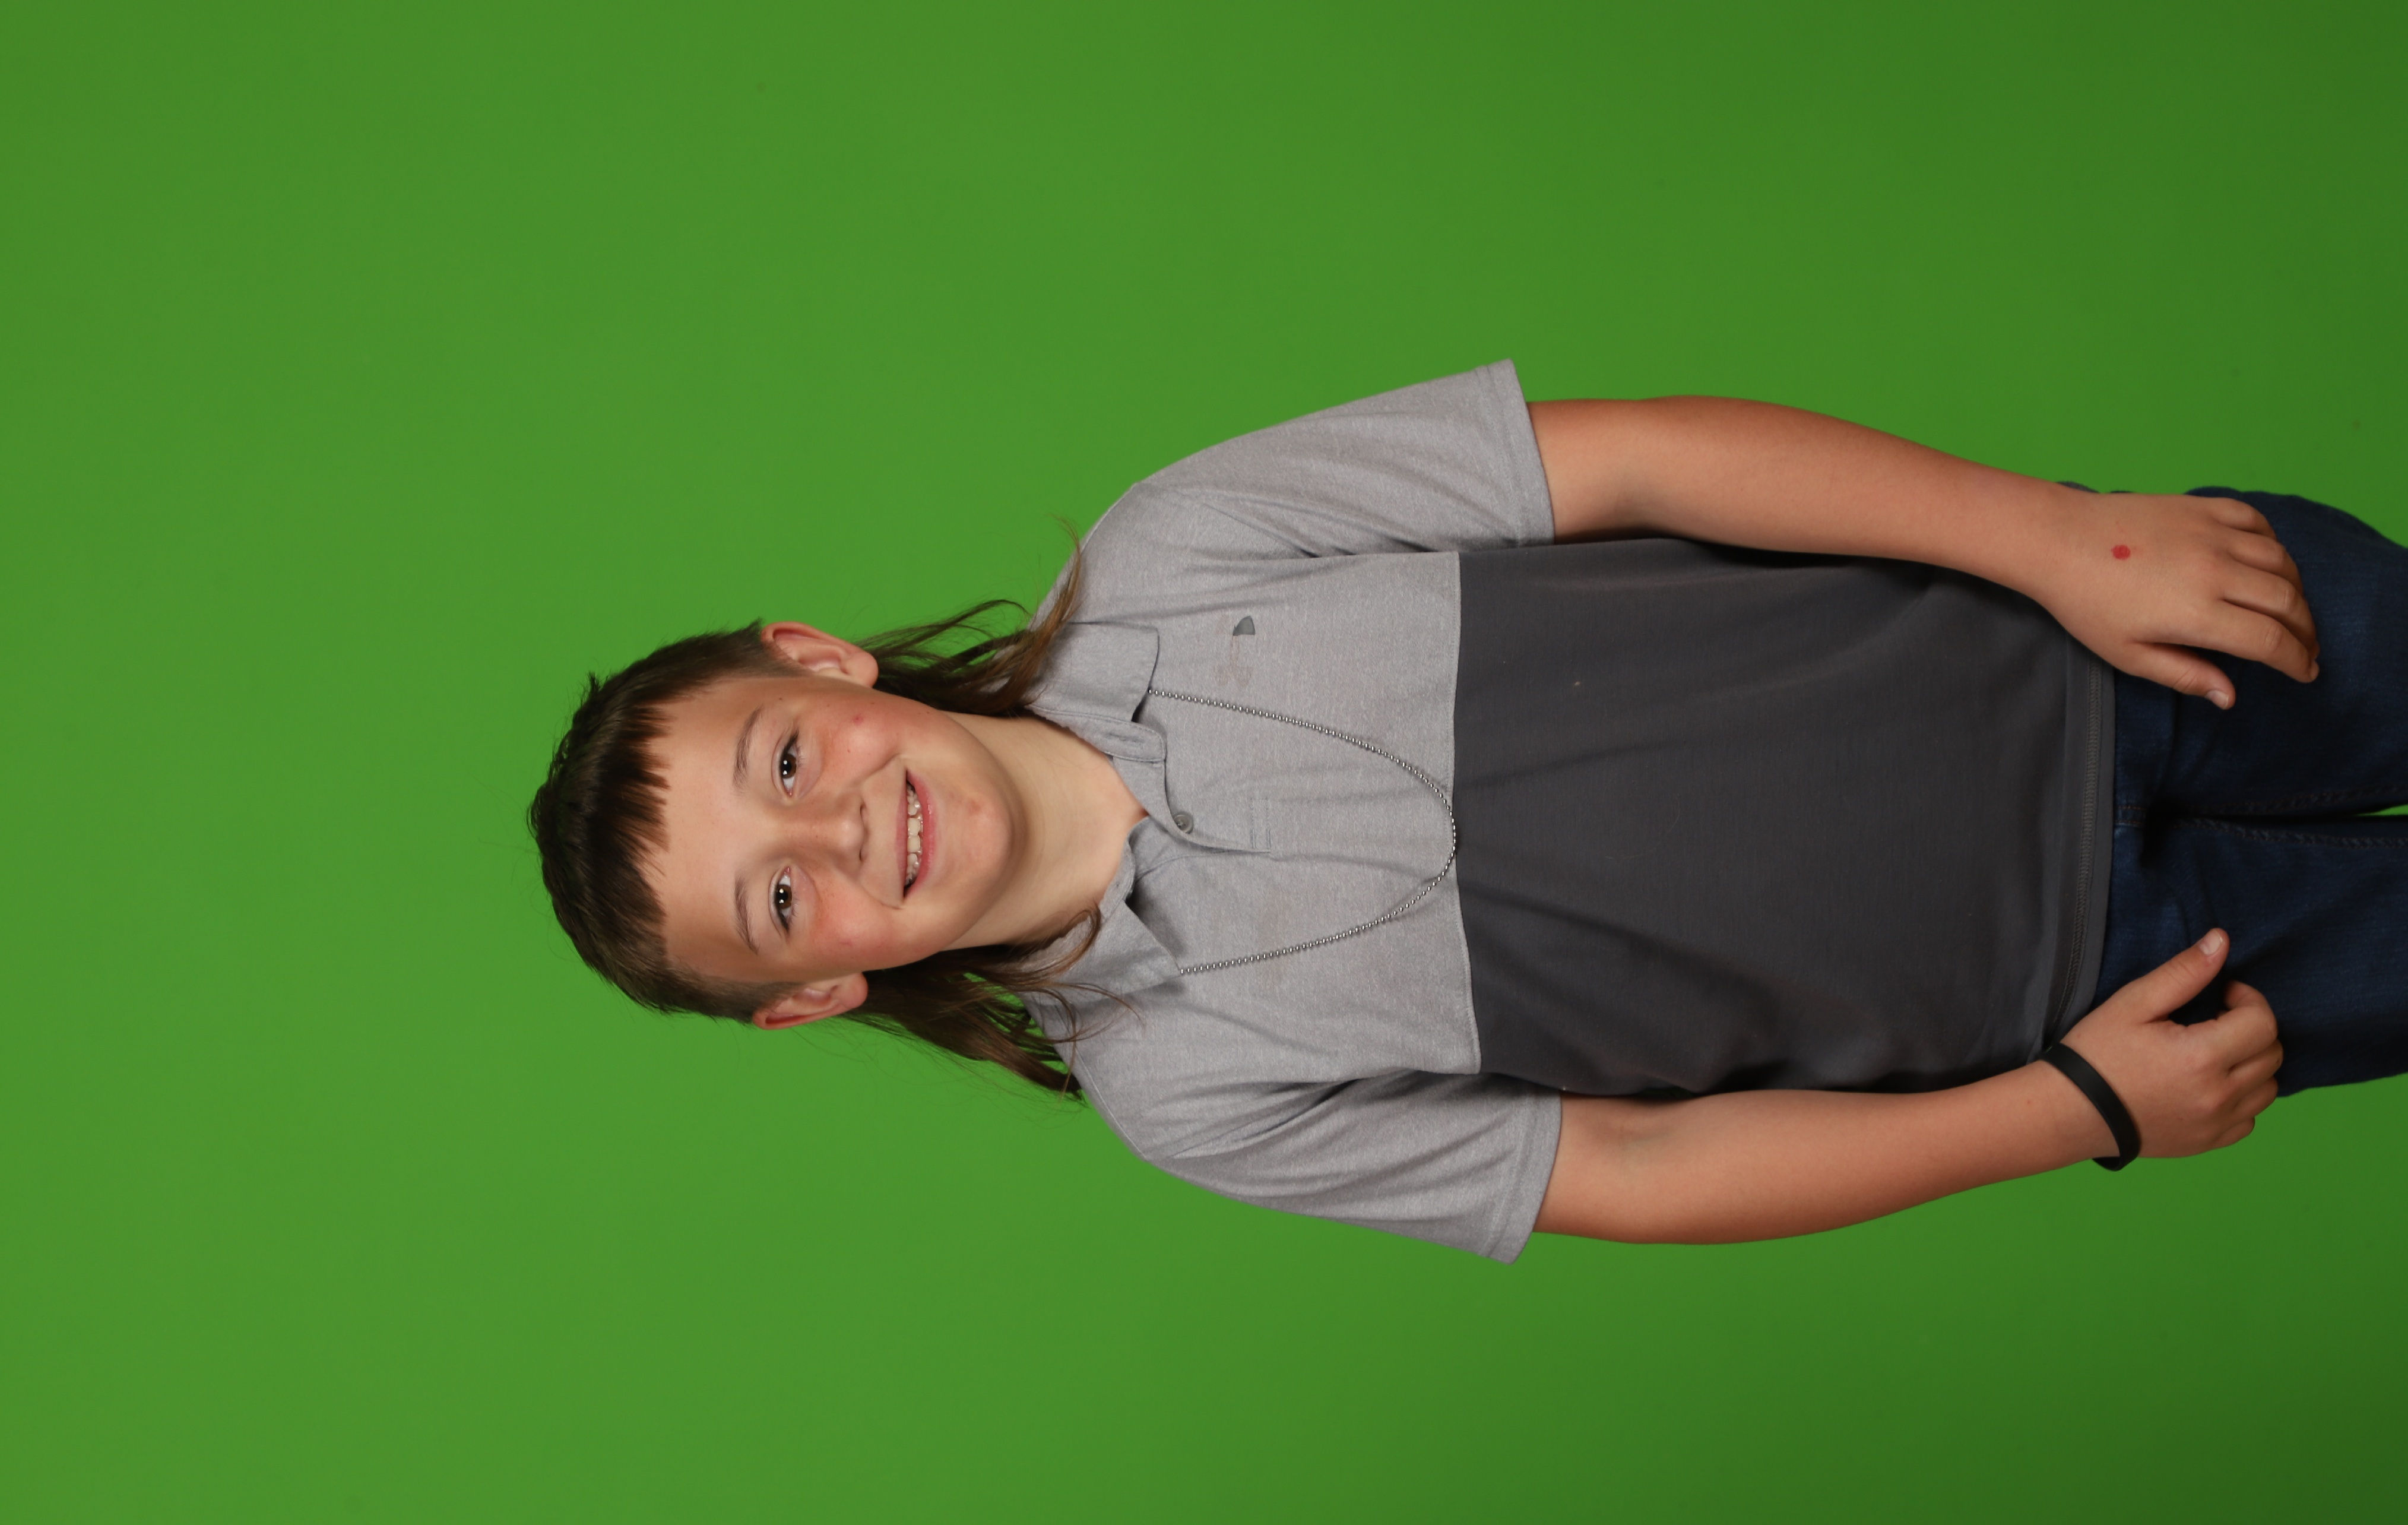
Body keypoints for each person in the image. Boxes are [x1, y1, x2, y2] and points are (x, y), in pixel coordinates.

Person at [528, 363, 2406, 1262]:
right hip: (2104, 986)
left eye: (787, 765)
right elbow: (1638, 1175)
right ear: (814, 993)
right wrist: (2070, 1108)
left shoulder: (1180, 544)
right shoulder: (1187, 1092)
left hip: (2089, 650)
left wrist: (2058, 538)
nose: (843, 835)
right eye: (782, 903)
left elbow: (1647, 458)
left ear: (819, 663)